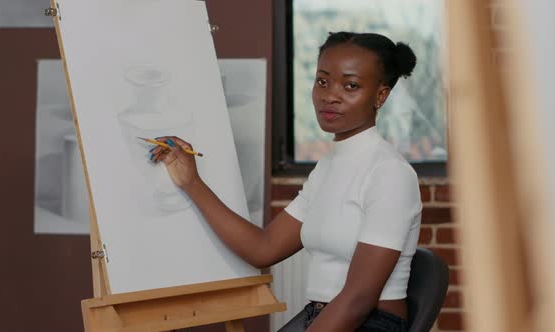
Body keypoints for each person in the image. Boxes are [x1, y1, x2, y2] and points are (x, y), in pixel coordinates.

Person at [151, 32, 422, 332]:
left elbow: (358, 299)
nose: (330, 95)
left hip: (371, 323)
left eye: (351, 86)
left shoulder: (390, 174)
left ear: (380, 96)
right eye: (322, 81)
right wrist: (191, 182)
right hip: (322, 316)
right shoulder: (328, 168)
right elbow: (263, 248)